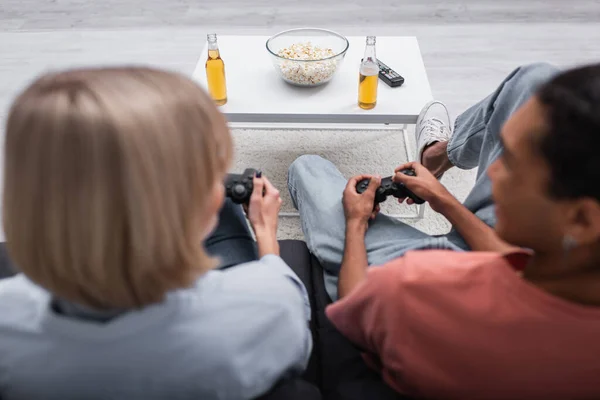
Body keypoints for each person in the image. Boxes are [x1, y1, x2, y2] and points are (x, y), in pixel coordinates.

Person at [288, 63, 600, 399]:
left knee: (308, 170)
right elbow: (520, 269)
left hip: (431, 283)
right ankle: (437, 157)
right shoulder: (571, 272)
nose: (491, 169)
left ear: (582, 219)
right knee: (535, 79)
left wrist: (356, 223)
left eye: (510, 161)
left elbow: (355, 303)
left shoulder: (415, 285)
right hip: (522, 256)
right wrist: (443, 200)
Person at [0, 67, 313, 400]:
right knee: (231, 205)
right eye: (210, 174)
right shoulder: (267, 305)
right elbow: (297, 351)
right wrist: (265, 232)